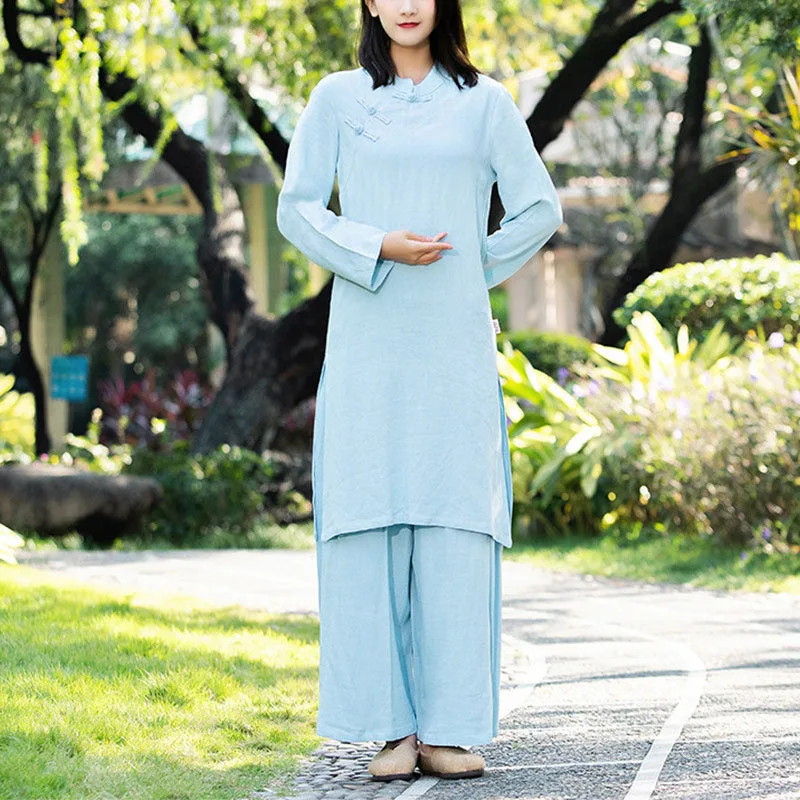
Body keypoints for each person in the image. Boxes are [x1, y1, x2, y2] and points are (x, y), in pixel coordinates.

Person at [276, 0, 563, 783]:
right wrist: (376, 246)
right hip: (367, 346)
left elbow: (540, 208)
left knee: (455, 520)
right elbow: (296, 209)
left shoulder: (485, 102)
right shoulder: (337, 98)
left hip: (452, 350)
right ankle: (389, 730)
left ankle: (449, 728)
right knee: (367, 518)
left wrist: (471, 266)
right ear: (369, 2)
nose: (407, 4)